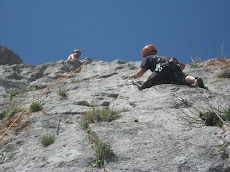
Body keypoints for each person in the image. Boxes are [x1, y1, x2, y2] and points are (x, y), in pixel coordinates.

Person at [129, 44, 204, 90]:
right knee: (184, 77)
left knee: (148, 81)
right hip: (173, 67)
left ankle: (147, 83)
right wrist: (176, 71)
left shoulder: (148, 58)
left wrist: (134, 76)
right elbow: (182, 65)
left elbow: (141, 71)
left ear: (146, 54)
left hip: (161, 68)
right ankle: (195, 80)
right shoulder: (165, 57)